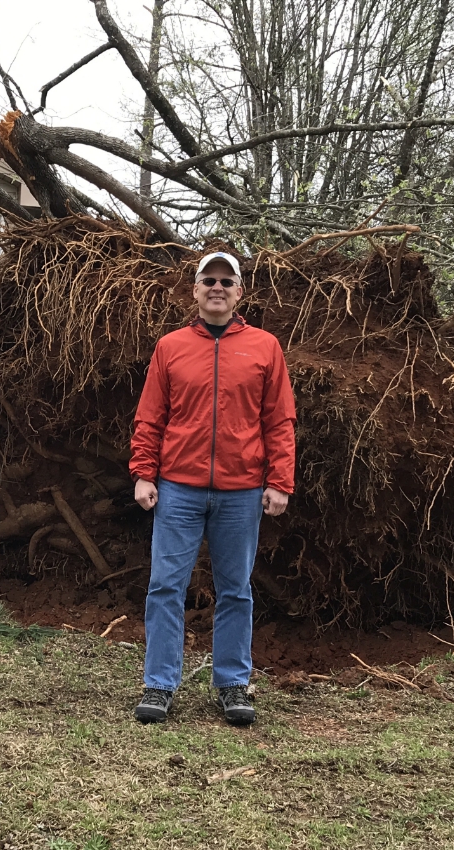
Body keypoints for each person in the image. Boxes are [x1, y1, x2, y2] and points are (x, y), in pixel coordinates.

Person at [128, 251, 296, 725]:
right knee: (165, 587)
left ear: (240, 292)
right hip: (177, 488)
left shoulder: (265, 347)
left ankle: (232, 685)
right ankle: (159, 685)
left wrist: (279, 480)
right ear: (196, 290)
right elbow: (150, 415)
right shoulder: (171, 347)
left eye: (227, 280)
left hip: (241, 491)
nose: (217, 287)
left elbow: (279, 420)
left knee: (236, 590)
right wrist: (144, 472)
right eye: (209, 280)